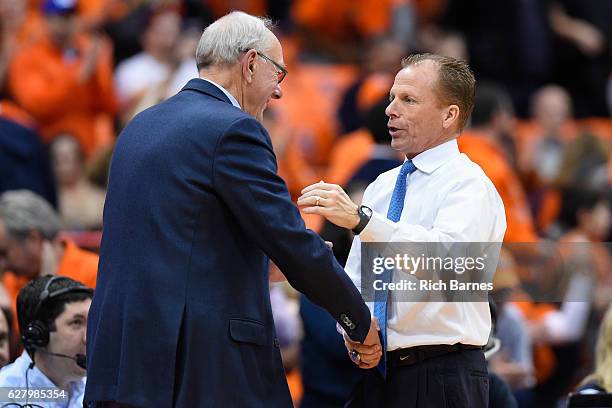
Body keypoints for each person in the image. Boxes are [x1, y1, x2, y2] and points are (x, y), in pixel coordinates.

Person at [85, 11, 379, 408]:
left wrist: (257, 261)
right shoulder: (234, 130)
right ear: (251, 63)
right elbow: (290, 241)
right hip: (198, 367)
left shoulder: (139, 126)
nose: (278, 93)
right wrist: (358, 321)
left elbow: (178, 242)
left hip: (121, 362)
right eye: (279, 75)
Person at [298, 53, 506, 407]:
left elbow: (450, 268)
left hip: (442, 373)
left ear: (449, 115)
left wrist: (364, 222)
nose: (390, 109)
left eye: (408, 100)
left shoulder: (469, 185)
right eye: (392, 97)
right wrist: (354, 332)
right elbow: (362, 282)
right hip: (379, 376)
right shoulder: (382, 186)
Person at [0, 190, 98, 317]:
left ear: (33, 238)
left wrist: (46, 290)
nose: (2, 265)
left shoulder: (93, 273)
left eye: (4, 253)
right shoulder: (11, 279)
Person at [0, 275, 93, 407]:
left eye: (91, 323)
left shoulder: (93, 389)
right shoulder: (5, 395)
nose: (88, 338)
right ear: (38, 335)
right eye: (76, 323)